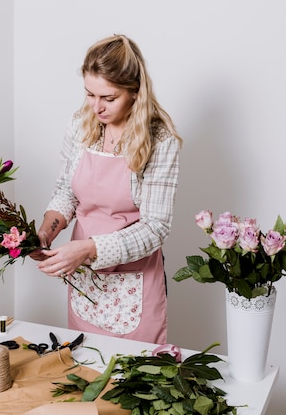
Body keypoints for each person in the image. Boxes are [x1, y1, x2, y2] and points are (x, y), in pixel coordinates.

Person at [33, 34, 182, 344]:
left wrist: (89, 248)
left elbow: (155, 227)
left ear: (135, 91)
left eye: (108, 98)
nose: (96, 107)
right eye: (89, 94)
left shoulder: (160, 140)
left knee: (134, 378)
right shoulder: (81, 125)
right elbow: (67, 189)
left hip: (135, 284)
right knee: (85, 368)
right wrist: (47, 230)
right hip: (86, 279)